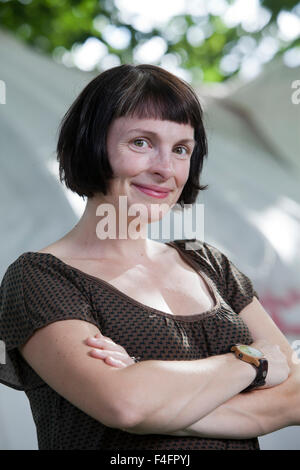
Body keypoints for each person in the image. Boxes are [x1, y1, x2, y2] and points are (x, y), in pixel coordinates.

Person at [0, 64, 299, 451]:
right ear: (91, 144)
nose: (164, 169)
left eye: (180, 150)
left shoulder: (208, 262)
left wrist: (154, 393)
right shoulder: (41, 278)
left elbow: (294, 395)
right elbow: (125, 405)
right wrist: (253, 363)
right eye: (141, 142)